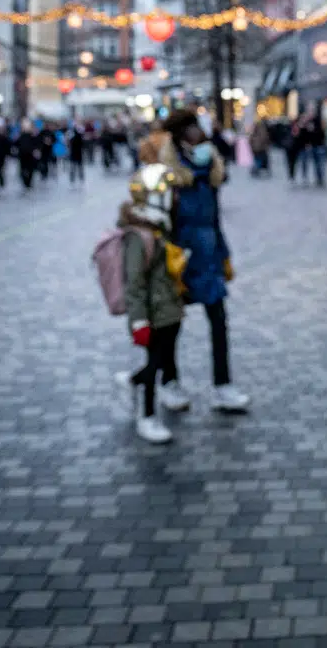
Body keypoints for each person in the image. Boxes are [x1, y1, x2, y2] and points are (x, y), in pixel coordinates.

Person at [161, 110, 249, 412]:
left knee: (219, 318)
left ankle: (223, 385)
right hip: (179, 255)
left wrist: (221, 250)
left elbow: (214, 214)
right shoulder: (167, 171)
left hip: (209, 249)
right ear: (180, 134)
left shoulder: (211, 163)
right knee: (171, 322)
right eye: (192, 127)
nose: (199, 132)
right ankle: (169, 382)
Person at [114, 163, 188, 444]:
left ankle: (132, 382)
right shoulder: (139, 233)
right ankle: (146, 417)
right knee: (155, 362)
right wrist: (139, 321)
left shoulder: (159, 225)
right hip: (154, 312)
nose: (174, 197)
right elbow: (134, 282)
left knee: (162, 358)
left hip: (169, 306)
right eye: (169, 191)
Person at [302, 104, 326, 186]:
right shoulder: (305, 120)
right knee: (305, 162)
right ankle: (305, 178)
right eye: (309, 110)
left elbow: (322, 134)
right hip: (309, 146)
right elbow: (302, 134)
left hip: (318, 145)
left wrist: (314, 129)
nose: (310, 112)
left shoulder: (318, 120)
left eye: (311, 110)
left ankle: (320, 179)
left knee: (319, 163)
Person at [14, 119, 40, 190]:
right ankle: (25, 182)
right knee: (22, 170)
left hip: (31, 155)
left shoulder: (33, 135)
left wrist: (36, 150)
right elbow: (16, 144)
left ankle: (29, 183)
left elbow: (37, 144)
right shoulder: (21, 135)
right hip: (22, 155)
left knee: (31, 169)